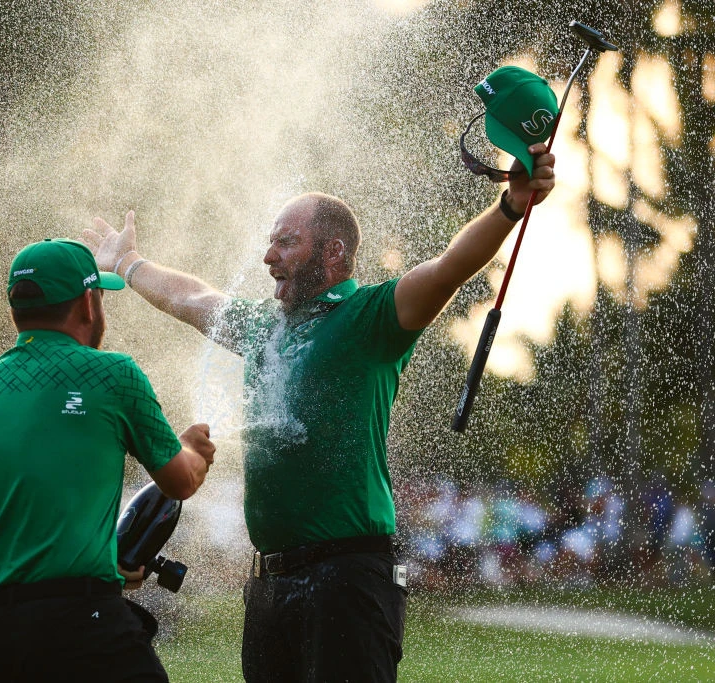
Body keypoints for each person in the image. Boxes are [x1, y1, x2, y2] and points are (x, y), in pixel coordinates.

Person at [81, 75, 557, 682]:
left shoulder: (371, 318)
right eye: (269, 242)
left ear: (333, 253)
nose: (268, 256)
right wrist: (126, 262)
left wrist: (510, 206)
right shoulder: (264, 327)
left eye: (286, 242)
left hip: (350, 575)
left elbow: (449, 268)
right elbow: (190, 296)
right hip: (271, 580)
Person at [0, 238, 216, 682]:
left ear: (17, 311)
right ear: (88, 303)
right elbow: (180, 482)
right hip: (83, 626)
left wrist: (101, 559)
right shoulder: (112, 374)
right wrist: (193, 448)